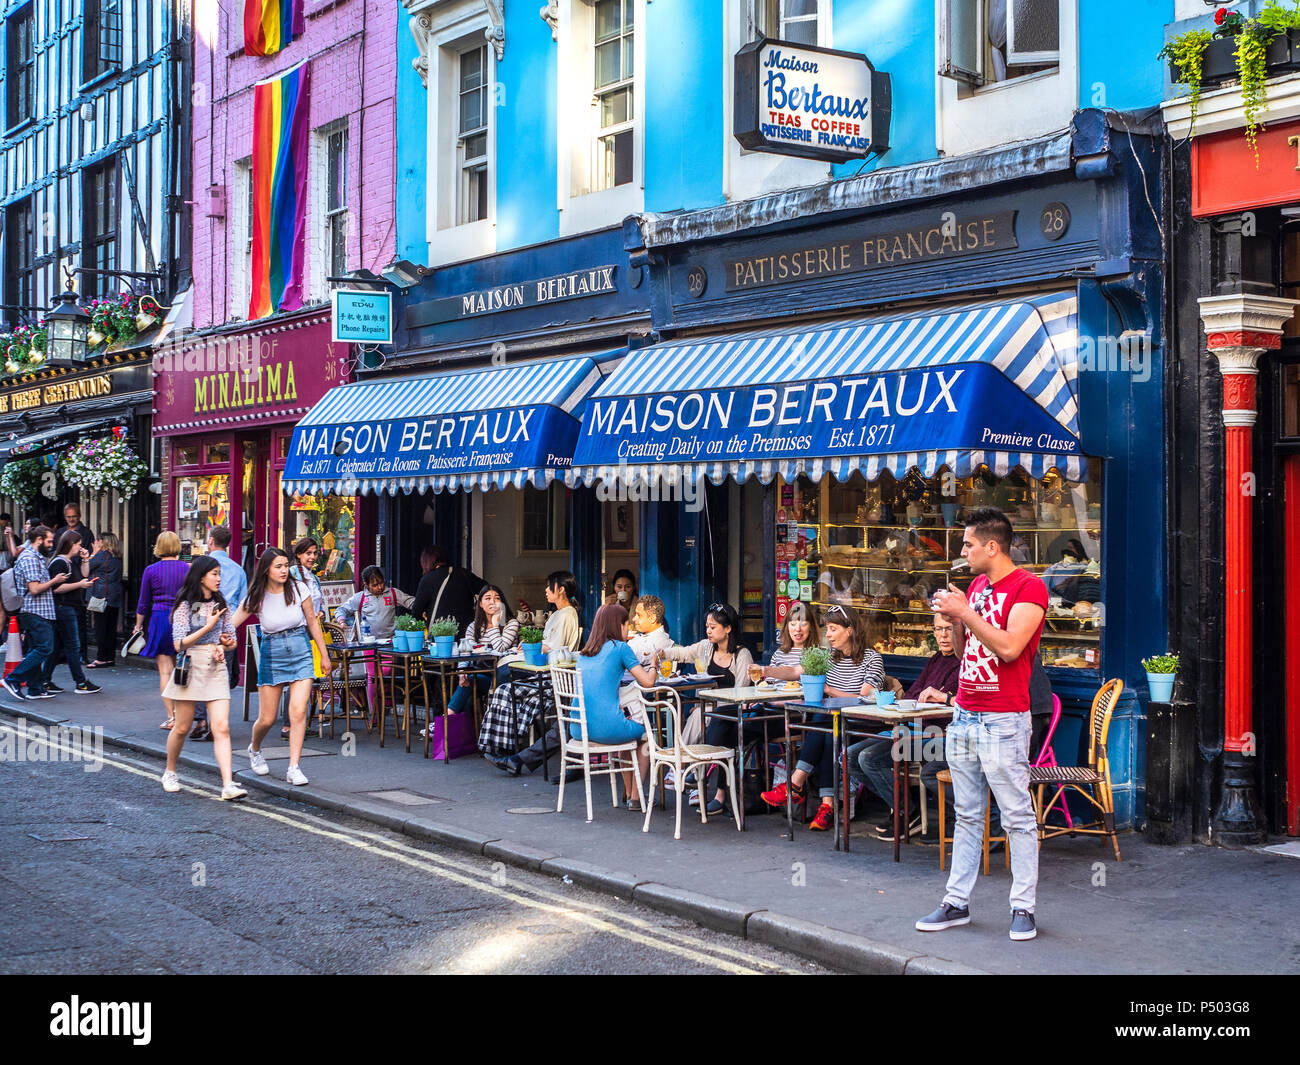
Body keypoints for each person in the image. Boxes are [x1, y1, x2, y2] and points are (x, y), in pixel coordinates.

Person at [915, 507, 1049, 943]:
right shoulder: (974, 586)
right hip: (965, 715)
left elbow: (1010, 648)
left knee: (1016, 817)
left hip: (1003, 719)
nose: (963, 551)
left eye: (969, 544)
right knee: (967, 815)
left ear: (993, 546)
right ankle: (957, 903)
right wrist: (955, 619)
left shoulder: (1029, 587)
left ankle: (1023, 908)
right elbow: (963, 649)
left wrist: (967, 613)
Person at [760, 603, 884, 830]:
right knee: (826, 730)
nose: (827, 634)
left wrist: (829, 691)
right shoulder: (829, 656)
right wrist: (766, 671)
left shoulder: (871, 658)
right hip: (835, 724)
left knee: (824, 726)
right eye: (827, 629)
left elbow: (863, 698)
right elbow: (797, 671)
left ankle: (795, 784)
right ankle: (826, 804)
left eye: (833, 629)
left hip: (861, 724)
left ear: (850, 630)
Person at [847, 614, 960, 840]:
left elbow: (962, 702)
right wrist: (932, 697)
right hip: (914, 729)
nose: (943, 635)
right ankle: (906, 808)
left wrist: (941, 697)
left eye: (949, 629)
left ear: (961, 630)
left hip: (940, 735)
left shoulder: (967, 662)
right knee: (849, 756)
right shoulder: (936, 659)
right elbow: (912, 694)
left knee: (869, 758)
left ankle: (905, 811)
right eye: (938, 629)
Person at [233, 548, 333, 787]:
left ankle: (294, 767)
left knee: (297, 712)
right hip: (272, 650)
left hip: (300, 647)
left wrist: (324, 655)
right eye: (278, 566)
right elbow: (232, 623)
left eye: (286, 565)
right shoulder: (256, 595)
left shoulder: (299, 588)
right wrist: (216, 638)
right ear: (266, 569)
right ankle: (255, 748)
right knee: (267, 719)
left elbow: (312, 621)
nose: (283, 570)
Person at [656, 603, 755, 815]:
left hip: (731, 710)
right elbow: (682, 653)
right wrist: (662, 653)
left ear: (728, 628)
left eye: (713, 627)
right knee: (698, 715)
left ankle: (688, 768)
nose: (708, 631)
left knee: (703, 715)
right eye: (707, 627)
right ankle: (688, 767)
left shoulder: (741, 655)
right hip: (710, 707)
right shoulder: (705, 648)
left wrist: (716, 705)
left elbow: (741, 692)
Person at [159, 556, 244, 800]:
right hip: (190, 667)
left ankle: (228, 784)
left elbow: (230, 638)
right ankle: (170, 771)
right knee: (183, 727)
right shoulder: (185, 605)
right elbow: (178, 644)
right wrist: (207, 628)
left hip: (214, 666)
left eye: (219, 574)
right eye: (214, 574)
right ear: (201, 577)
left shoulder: (221, 603)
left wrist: (225, 645)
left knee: (222, 727)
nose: (219, 578)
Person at [478, 571, 582, 767]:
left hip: (552, 677)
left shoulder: (568, 614)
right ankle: (500, 746)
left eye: (549, 586)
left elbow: (555, 649)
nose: (545, 590)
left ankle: (506, 748)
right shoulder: (558, 614)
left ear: (560, 590)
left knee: (503, 687)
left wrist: (535, 645)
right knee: (503, 689)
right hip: (540, 672)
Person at [572, 603, 658, 807]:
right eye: (626, 624)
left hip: (578, 727)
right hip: (606, 729)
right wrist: (654, 663)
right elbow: (648, 682)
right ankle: (636, 797)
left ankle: (629, 793)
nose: (628, 628)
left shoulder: (584, 653)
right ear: (618, 625)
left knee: (626, 730)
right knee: (645, 736)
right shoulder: (621, 648)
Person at [1, 525, 67, 701]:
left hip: (38, 611)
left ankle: (35, 689)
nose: (52, 545)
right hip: (34, 611)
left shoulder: (36, 557)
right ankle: (12, 679)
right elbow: (35, 588)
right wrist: (55, 580)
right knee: (44, 648)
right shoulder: (30, 558)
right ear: (39, 540)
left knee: (35, 648)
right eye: (49, 541)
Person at [131, 533, 190, 729]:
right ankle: (184, 714)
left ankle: (172, 717)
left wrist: (138, 626)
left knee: (165, 672)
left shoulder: (151, 570)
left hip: (159, 619)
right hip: (182, 619)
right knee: (181, 669)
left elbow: (143, 602)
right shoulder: (187, 569)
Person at [445, 584, 519, 716]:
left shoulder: (511, 623)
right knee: (466, 681)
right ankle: (451, 723)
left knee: (470, 682)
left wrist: (493, 625)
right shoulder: (474, 627)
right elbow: (465, 652)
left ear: (502, 603)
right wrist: (462, 672)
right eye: (488, 598)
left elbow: (500, 648)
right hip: (482, 673)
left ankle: (446, 721)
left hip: (503, 678)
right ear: (480, 604)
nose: (492, 602)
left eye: (497, 598)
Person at [41, 531, 100, 694]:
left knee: (57, 646)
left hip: (68, 607)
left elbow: (84, 575)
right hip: (64, 607)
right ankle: (81, 683)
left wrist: (86, 559)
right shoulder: (59, 563)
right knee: (73, 646)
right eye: (79, 544)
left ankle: (44, 681)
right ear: (71, 544)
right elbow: (56, 588)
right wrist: (79, 585)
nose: (81, 547)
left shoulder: (69, 561)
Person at [205, 526, 248, 689]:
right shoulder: (238, 570)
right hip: (228, 625)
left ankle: (201, 713)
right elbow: (244, 602)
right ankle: (221, 708)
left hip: (205, 623)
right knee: (224, 671)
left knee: (203, 670)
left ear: (211, 541)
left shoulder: (203, 566)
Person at [53, 503, 95, 664]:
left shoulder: (86, 533)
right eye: (68, 517)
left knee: (79, 619)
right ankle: (64, 655)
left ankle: (80, 655)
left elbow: (88, 557)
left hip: (78, 576)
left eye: (74, 516)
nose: (71, 519)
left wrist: (85, 558)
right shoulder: (60, 533)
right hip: (67, 577)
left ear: (79, 516)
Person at [410, 545, 479, 639]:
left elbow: (416, 611)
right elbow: (487, 589)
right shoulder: (464, 574)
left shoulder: (428, 579)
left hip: (441, 635)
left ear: (426, 561)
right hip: (468, 632)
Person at [333, 565, 416, 641]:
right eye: (375, 585)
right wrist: (342, 622)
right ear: (366, 585)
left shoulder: (393, 593)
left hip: (390, 641)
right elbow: (340, 610)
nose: (380, 587)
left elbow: (411, 602)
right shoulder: (360, 597)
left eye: (381, 582)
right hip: (368, 642)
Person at [86, 532, 125, 668]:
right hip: (114, 596)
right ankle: (110, 657)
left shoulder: (101, 556)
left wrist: (93, 553)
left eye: (99, 540)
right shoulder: (117, 557)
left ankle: (101, 658)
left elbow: (86, 568)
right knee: (110, 628)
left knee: (100, 628)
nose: (96, 542)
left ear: (103, 542)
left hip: (101, 596)